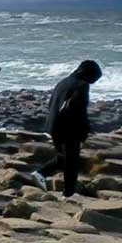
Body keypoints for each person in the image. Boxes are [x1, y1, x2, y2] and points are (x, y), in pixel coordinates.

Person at [31, 61, 103, 198]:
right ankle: (68, 194)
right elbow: (77, 109)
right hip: (69, 127)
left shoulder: (64, 81)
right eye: (94, 78)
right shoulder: (82, 85)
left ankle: (41, 173)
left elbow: (52, 102)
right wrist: (85, 129)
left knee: (63, 157)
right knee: (72, 163)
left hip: (54, 125)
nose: (94, 82)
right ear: (88, 75)